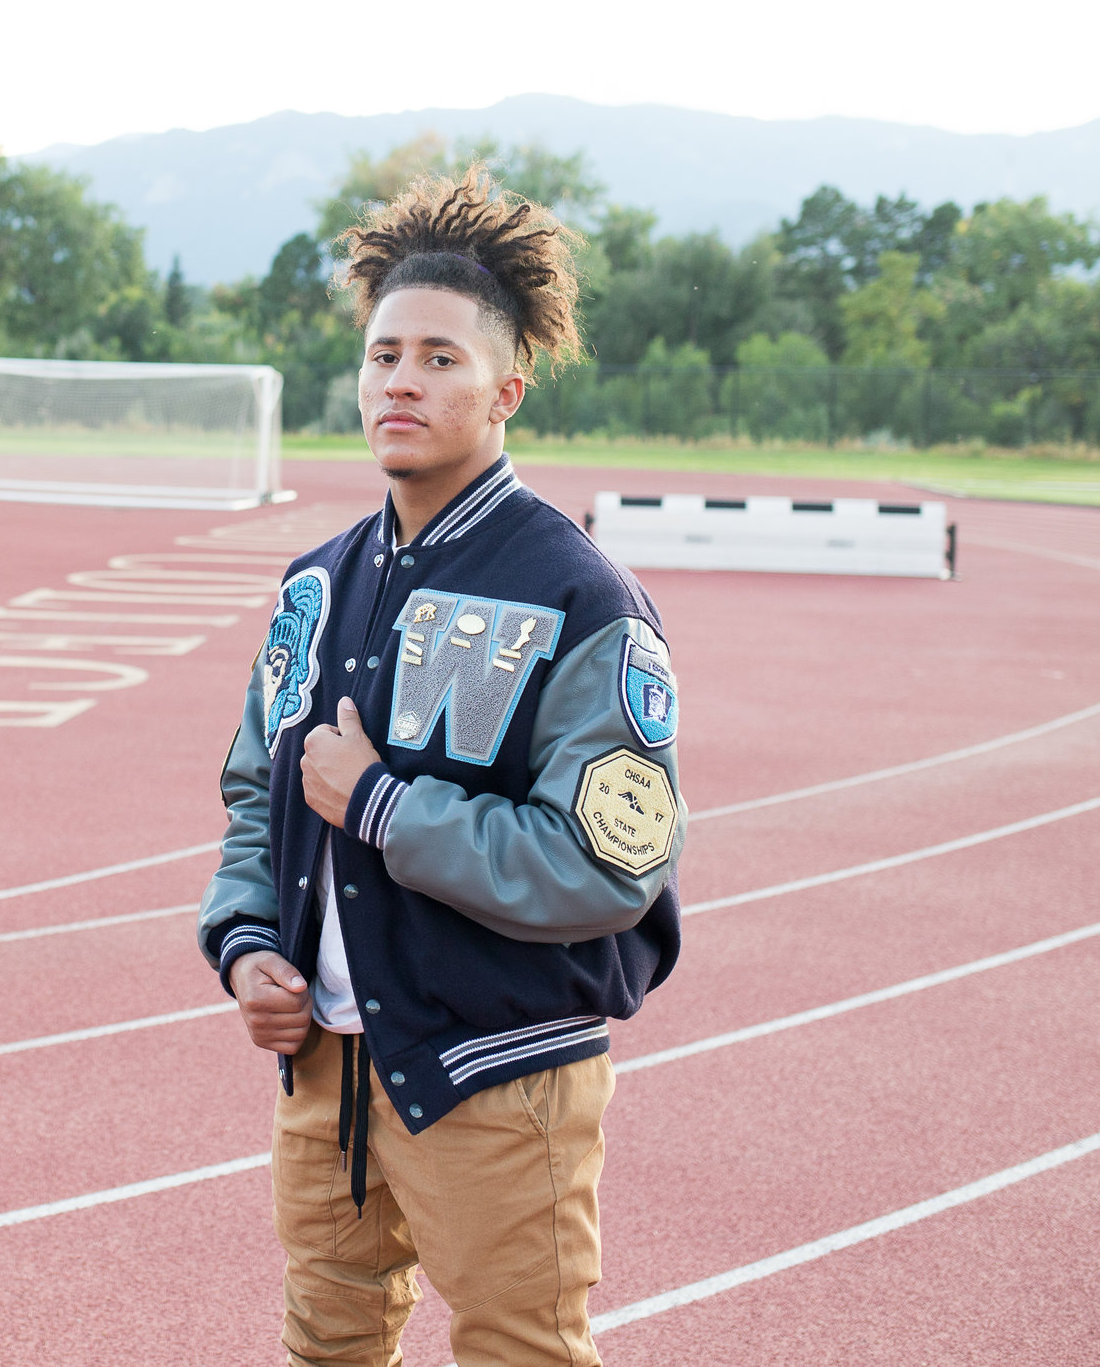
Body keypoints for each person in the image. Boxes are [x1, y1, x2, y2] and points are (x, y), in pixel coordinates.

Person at [199, 165, 685, 1367]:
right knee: (327, 1343)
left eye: (439, 358)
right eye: (381, 355)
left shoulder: (579, 595)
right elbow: (258, 791)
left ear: (506, 388)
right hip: (325, 1071)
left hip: (495, 1074)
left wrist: (377, 803)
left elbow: (605, 865)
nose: (400, 380)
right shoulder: (316, 580)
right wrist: (247, 939)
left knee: (521, 1350)